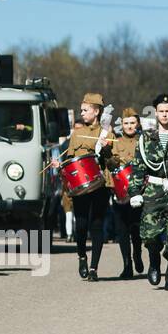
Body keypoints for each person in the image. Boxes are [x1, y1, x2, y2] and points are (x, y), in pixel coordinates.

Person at [128, 93, 168, 289]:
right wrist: (134, 192)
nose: (164, 115)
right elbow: (138, 167)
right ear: (155, 113)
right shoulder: (146, 138)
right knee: (150, 236)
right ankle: (154, 261)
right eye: (161, 111)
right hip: (153, 191)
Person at [49, 92, 113, 281]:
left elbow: (114, 163)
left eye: (85, 110)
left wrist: (107, 149)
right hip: (80, 186)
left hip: (100, 184)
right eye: (82, 110)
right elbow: (70, 160)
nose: (82, 113)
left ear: (96, 111)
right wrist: (59, 166)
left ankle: (94, 268)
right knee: (82, 225)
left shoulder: (107, 134)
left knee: (97, 225)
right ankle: (82, 256)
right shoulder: (76, 134)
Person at [106, 107, 145, 279]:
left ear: (138, 124)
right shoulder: (116, 141)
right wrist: (107, 153)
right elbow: (111, 164)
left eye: (132, 123)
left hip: (139, 191)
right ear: (122, 125)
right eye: (126, 123)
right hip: (120, 191)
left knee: (136, 229)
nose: (129, 126)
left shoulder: (144, 141)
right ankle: (126, 264)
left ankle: (137, 252)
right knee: (122, 230)